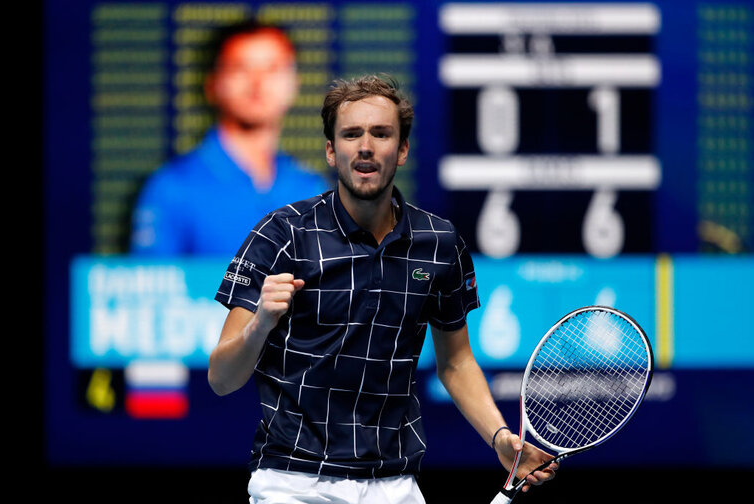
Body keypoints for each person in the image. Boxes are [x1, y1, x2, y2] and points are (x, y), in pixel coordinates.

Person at [209, 75, 557, 503]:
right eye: (351, 134)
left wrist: (501, 438)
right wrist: (260, 323)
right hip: (292, 479)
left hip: (395, 483)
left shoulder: (439, 243)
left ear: (403, 149)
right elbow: (221, 379)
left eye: (381, 133)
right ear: (332, 151)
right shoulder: (283, 234)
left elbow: (455, 362)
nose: (366, 146)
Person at [130, 20, 329, 255]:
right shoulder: (172, 188)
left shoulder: (310, 188)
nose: (258, 83)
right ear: (213, 84)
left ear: (295, 84)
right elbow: (150, 284)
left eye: (274, 68)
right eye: (240, 68)